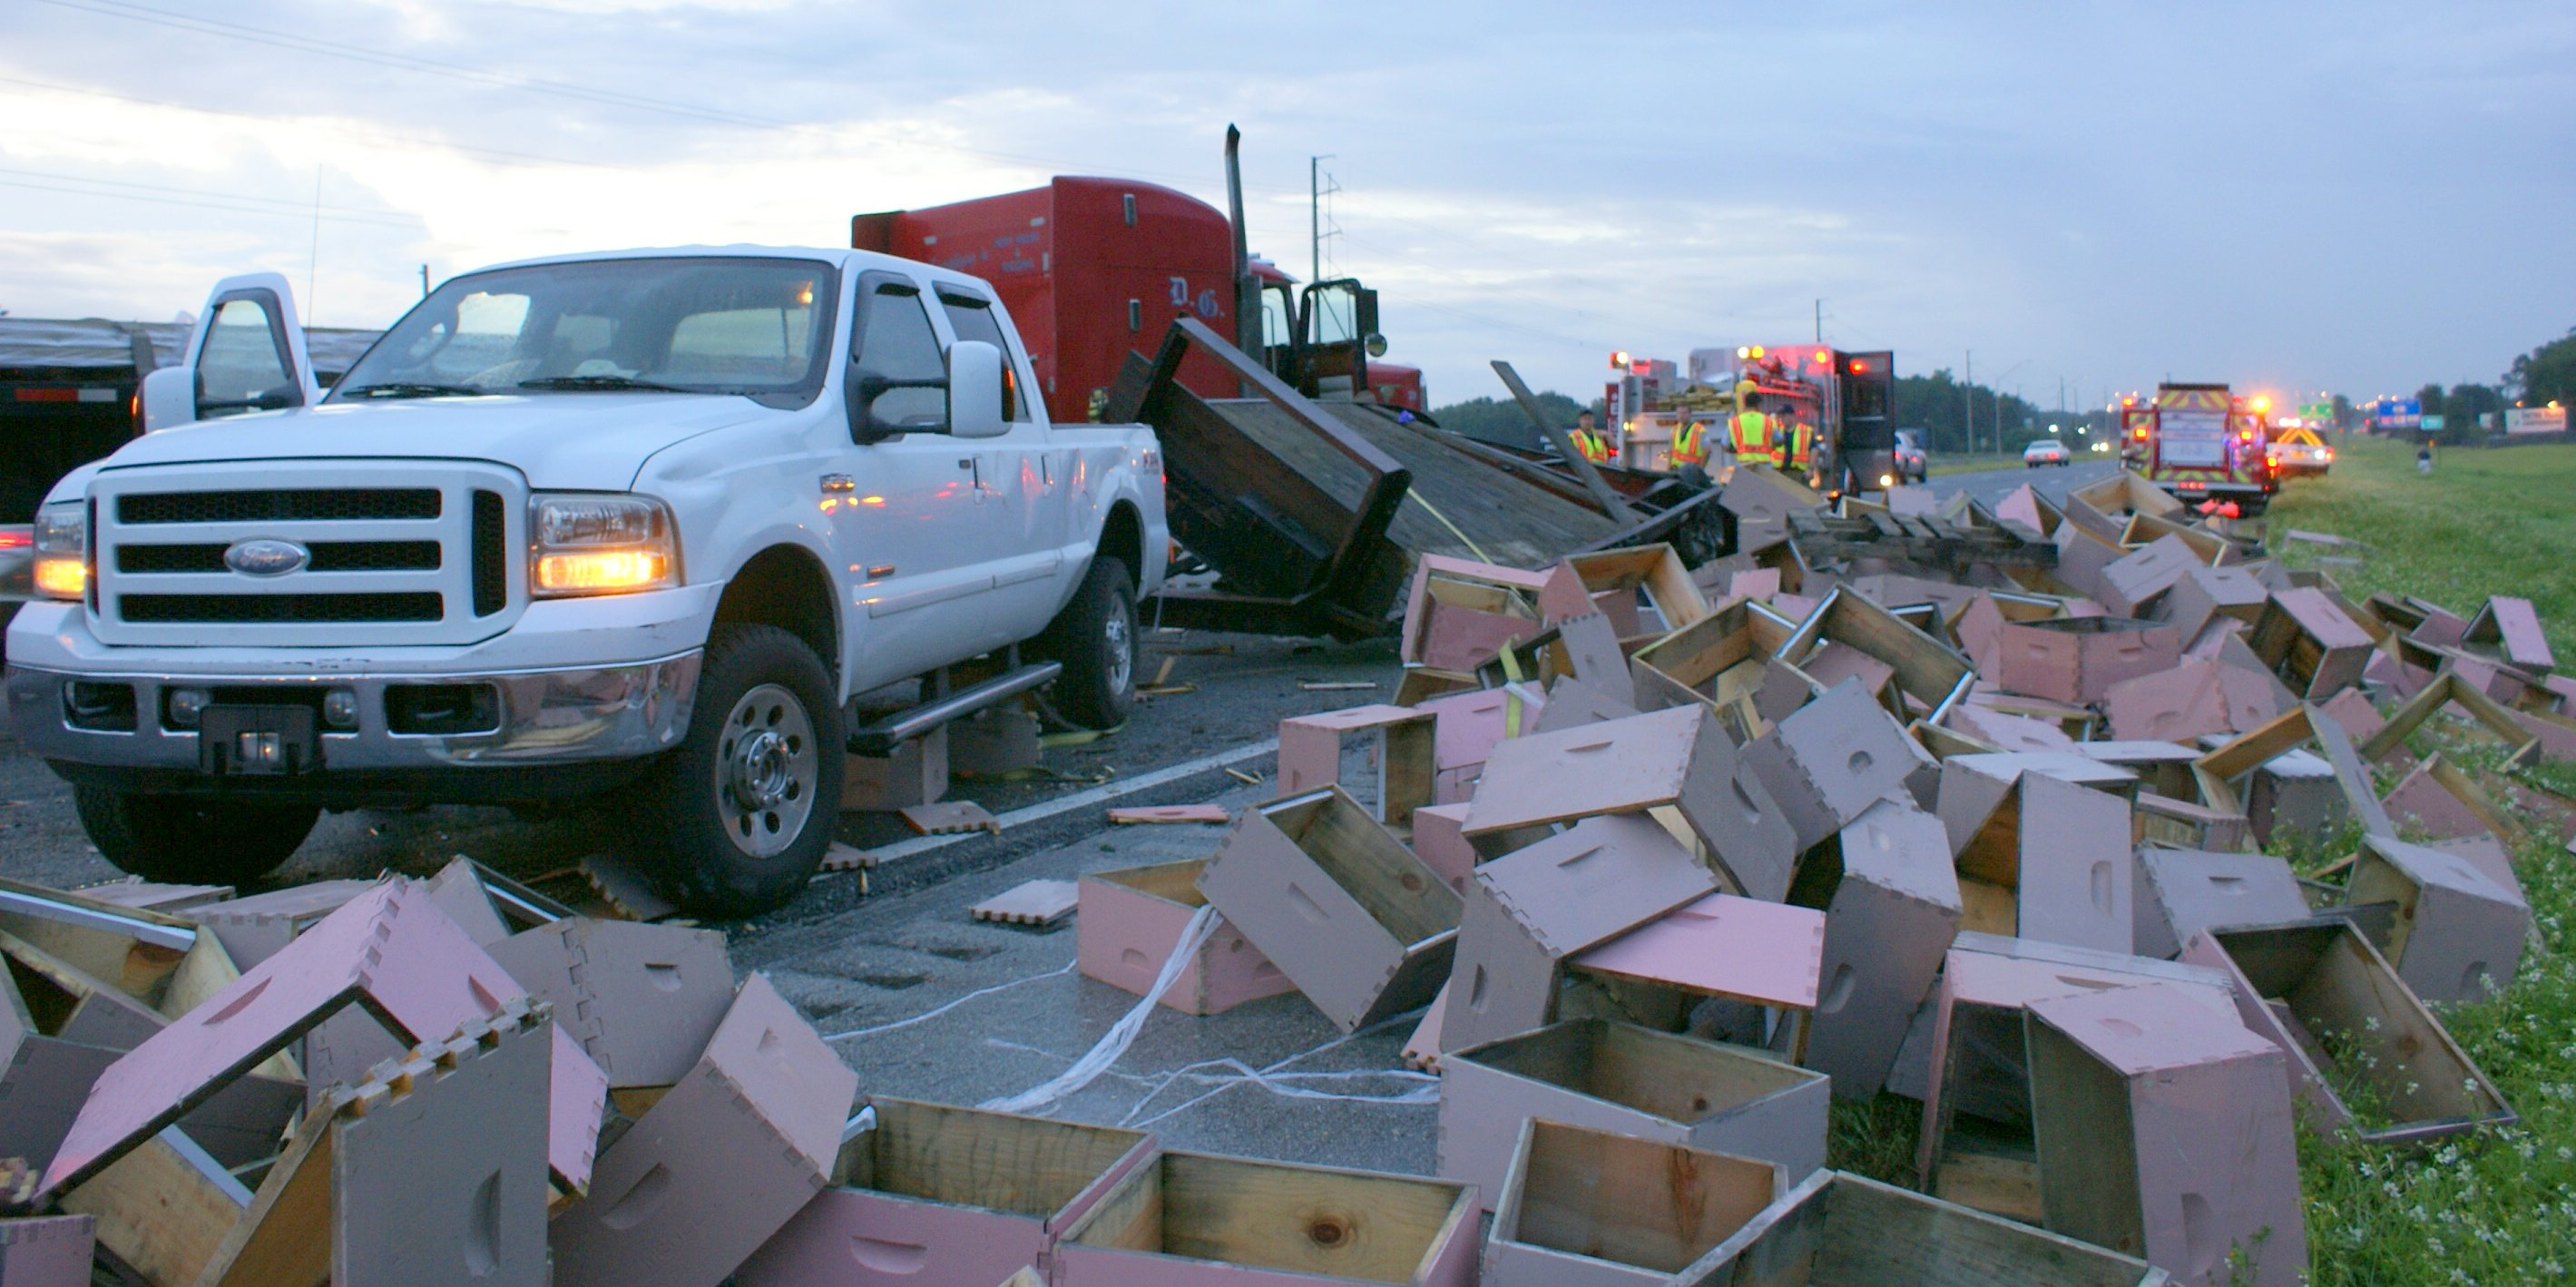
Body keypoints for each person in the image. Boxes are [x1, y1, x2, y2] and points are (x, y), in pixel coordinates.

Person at [1729, 392, 1773, 466]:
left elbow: (1725, 445)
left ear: (1745, 405)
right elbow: (1779, 440)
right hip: (1764, 466)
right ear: (1758, 405)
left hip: (1743, 465)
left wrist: (1737, 449)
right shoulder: (1768, 420)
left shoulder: (1734, 421)